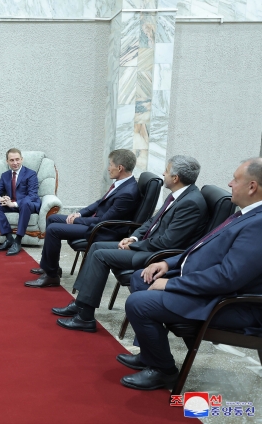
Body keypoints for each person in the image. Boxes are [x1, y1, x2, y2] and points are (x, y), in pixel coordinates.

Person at [117, 158, 262, 390]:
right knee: (141, 277)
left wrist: (173, 284)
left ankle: (164, 371)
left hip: (230, 304)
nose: (230, 183)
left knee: (139, 303)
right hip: (210, 289)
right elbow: (203, 248)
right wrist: (167, 263)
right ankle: (149, 354)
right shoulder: (246, 214)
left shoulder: (258, 224)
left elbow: (228, 277)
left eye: (235, 179)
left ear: (252, 187)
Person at [53, 155, 208, 333]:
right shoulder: (179, 195)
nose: (163, 173)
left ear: (175, 178)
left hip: (158, 256)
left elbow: (167, 242)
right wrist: (133, 238)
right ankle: (81, 304)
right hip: (147, 246)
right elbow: (151, 222)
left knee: (100, 254)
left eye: (166, 170)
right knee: (96, 246)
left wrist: (135, 246)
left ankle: (85, 317)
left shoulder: (191, 203)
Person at [25, 149, 140, 288]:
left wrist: (77, 220)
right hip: (96, 222)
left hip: (104, 230)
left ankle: (51, 276)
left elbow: (104, 220)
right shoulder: (123, 184)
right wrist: (79, 214)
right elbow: (99, 203)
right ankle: (49, 266)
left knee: (54, 229)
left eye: (110, 164)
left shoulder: (128, 193)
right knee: (52, 219)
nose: (108, 168)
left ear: (120, 167)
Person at [0, 148, 42, 256]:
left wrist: (13, 204)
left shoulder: (30, 174)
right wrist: (1, 198)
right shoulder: (5, 175)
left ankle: (18, 241)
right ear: (7, 161)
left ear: (22, 159)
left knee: (25, 203)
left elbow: (32, 195)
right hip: (12, 203)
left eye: (17, 159)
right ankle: (9, 238)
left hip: (28, 204)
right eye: (12, 160)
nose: (15, 163)